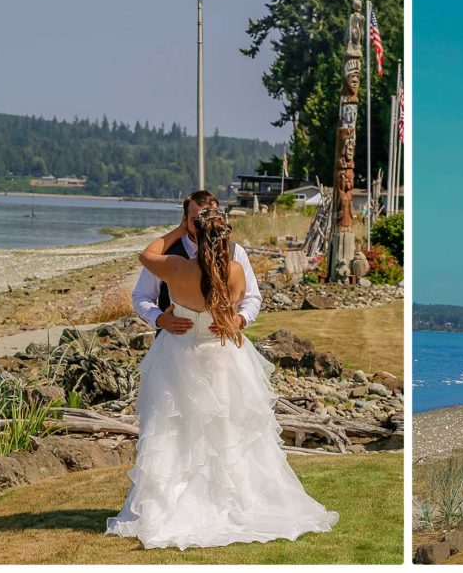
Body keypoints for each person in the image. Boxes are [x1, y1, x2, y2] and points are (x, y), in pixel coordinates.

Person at [106, 207, 338, 549]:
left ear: (194, 235)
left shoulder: (174, 267)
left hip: (179, 356)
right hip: (222, 356)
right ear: (226, 237)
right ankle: (228, 501)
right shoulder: (235, 272)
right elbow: (236, 306)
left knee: (177, 431)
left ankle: (175, 505)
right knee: (227, 430)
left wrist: (176, 232)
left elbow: (146, 255)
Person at [132, 190, 261, 337]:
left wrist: (240, 319)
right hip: (174, 343)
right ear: (185, 219)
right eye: (197, 219)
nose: (205, 225)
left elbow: (252, 297)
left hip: (220, 344)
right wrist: (159, 318)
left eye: (208, 218)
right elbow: (141, 295)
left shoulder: (236, 252)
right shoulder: (167, 253)